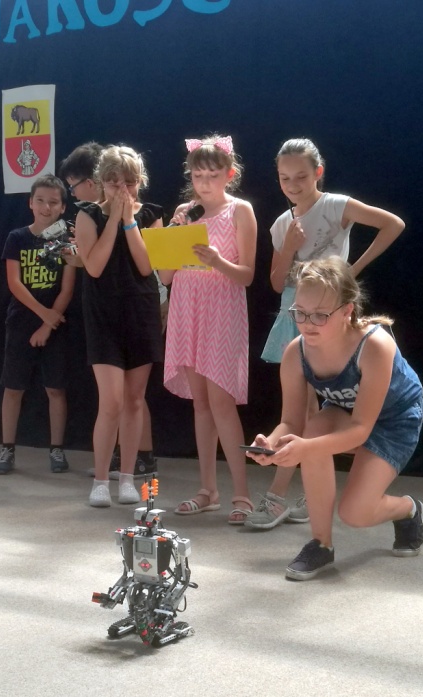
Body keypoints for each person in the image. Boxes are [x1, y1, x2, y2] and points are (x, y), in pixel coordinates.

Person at [251, 137, 405, 530]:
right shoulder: (282, 224)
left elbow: (393, 224)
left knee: (315, 414)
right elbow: (276, 281)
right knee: (300, 411)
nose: (293, 185)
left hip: (329, 311)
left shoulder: (336, 205)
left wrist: (352, 269)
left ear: (318, 172)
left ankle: (287, 494)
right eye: (285, 178)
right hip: (296, 307)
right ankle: (293, 494)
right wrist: (289, 246)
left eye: (301, 176)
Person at [247, 256, 423, 580]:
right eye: (300, 312)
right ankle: (321, 544)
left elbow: (361, 429)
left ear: (347, 311)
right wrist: (270, 443)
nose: (307, 323)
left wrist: (304, 448)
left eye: (320, 315)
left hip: (394, 419)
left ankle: (408, 509)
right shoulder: (296, 352)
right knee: (313, 431)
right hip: (346, 413)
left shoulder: (375, 345)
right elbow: (291, 422)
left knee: (356, 514)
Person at [161, 135, 257, 524]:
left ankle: (242, 494)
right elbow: (166, 275)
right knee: (200, 404)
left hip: (221, 312)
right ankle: (208, 490)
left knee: (221, 404)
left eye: (213, 175)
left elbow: (246, 275)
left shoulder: (240, 211)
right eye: (198, 175)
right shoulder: (185, 211)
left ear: (229, 174)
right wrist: (173, 233)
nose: (204, 183)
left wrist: (217, 260)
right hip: (187, 310)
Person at [60, 142, 160, 480]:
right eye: (115, 183)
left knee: (135, 400)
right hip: (103, 314)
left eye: (130, 183)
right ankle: (101, 480)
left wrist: (129, 222)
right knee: (112, 402)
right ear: (101, 182)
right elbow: (95, 267)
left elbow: (146, 267)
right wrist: (114, 217)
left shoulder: (151, 214)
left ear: (140, 182)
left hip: (140, 311)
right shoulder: (87, 215)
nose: (123, 190)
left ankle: (128, 477)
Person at [0, 174, 76, 475]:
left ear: (63, 207)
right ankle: (7, 448)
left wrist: (48, 325)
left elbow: (67, 288)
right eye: (40, 200)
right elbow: (14, 283)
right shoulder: (17, 238)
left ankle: (56, 449)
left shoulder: (67, 241)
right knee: (13, 388)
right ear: (30, 203)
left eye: (53, 202)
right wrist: (44, 315)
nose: (46, 207)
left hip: (56, 325)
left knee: (55, 388)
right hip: (22, 322)